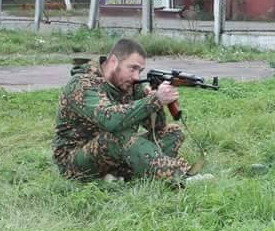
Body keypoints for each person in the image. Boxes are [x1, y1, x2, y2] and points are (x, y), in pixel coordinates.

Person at [52, 38, 193, 183]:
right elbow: (109, 120)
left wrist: (155, 101)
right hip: (74, 161)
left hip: (111, 151)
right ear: (113, 62)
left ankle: (124, 175)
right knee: (118, 136)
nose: (136, 77)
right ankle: (178, 176)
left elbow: (157, 127)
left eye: (140, 71)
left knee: (172, 132)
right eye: (132, 68)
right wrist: (154, 101)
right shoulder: (82, 84)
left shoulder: (129, 84)